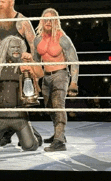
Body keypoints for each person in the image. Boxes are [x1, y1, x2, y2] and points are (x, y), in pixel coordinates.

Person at [0, 0, 41, 145]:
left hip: (17, 67)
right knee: (0, 99)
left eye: (3, 2)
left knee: (18, 100)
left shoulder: (22, 21)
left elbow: (33, 44)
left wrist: (32, 64)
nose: (0, 5)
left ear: (11, 3)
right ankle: (5, 134)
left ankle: (30, 134)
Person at [0, 35, 44, 151]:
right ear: (5, 49)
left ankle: (35, 136)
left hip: (18, 114)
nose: (16, 50)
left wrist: (31, 60)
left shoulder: (23, 65)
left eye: (18, 47)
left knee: (30, 146)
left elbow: (40, 74)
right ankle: (5, 134)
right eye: (12, 47)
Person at [34, 8, 79, 152]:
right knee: (49, 107)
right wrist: (35, 81)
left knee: (58, 104)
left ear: (56, 22)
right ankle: (59, 134)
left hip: (61, 74)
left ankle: (59, 141)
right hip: (46, 76)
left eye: (51, 19)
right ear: (41, 21)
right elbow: (35, 62)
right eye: (45, 18)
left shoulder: (62, 38)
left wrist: (73, 82)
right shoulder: (38, 39)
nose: (48, 21)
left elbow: (74, 60)